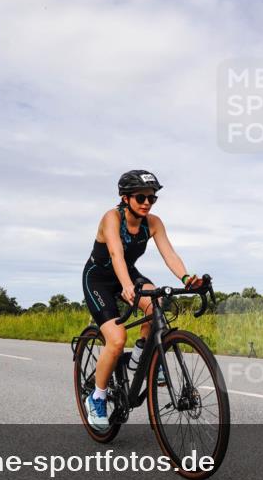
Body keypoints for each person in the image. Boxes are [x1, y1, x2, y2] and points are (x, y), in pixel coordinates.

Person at [81, 170, 202, 431]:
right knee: (116, 339)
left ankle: (138, 359)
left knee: (156, 303)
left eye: (152, 198)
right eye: (141, 197)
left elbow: (169, 254)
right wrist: (126, 286)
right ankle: (97, 397)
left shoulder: (153, 223)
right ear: (125, 198)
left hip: (128, 273)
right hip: (99, 279)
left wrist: (186, 278)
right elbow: (116, 253)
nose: (147, 202)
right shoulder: (112, 218)